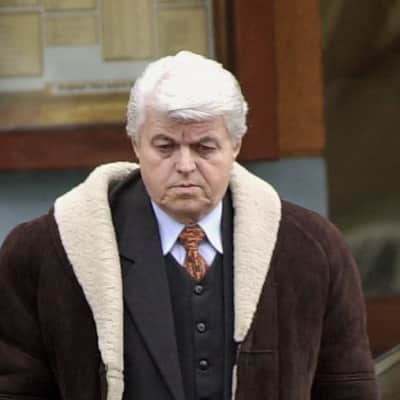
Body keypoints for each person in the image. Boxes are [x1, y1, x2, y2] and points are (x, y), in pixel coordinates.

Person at [0, 51, 378, 400]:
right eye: (165, 146)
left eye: (204, 147)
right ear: (135, 144)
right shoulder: (46, 253)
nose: (184, 166)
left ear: (236, 145)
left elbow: (348, 389)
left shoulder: (310, 249)